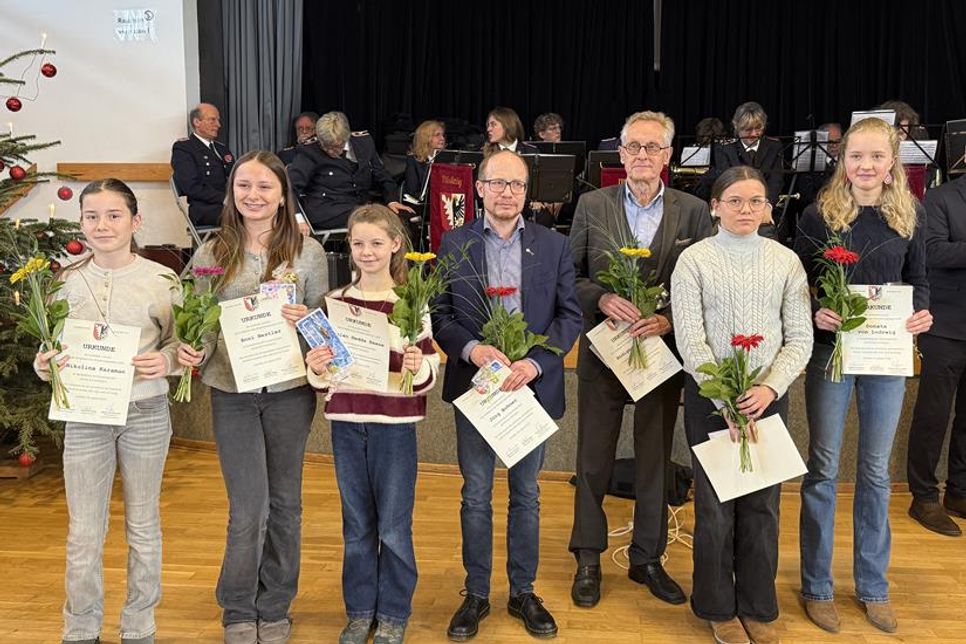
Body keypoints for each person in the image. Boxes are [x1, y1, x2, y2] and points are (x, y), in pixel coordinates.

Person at [177, 151, 328, 644]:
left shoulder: (309, 254)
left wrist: (306, 319)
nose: (253, 195)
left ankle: (276, 602)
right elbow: (197, 322)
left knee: (286, 505)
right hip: (233, 394)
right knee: (248, 508)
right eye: (244, 185)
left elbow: (323, 330)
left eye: (265, 186)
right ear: (231, 192)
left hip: (289, 393)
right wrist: (193, 351)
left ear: (282, 195)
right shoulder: (210, 253)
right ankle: (238, 606)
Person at [432, 150, 582, 640]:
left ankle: (522, 591)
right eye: (497, 183)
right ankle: (476, 593)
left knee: (528, 496)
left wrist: (534, 362)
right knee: (475, 495)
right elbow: (441, 316)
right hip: (478, 388)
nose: (507, 193)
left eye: (516, 185)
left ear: (527, 192)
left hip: (529, 389)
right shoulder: (454, 242)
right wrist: (473, 351)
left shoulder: (553, 246)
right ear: (479, 188)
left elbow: (569, 318)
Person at [567, 110, 712, 610]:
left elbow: (702, 284)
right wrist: (601, 300)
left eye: (653, 148)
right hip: (604, 352)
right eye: (634, 147)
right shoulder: (591, 203)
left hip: (660, 356)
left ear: (669, 156)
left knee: (654, 459)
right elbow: (573, 274)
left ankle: (647, 558)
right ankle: (588, 555)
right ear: (620, 153)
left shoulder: (693, 211)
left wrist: (671, 319)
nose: (643, 156)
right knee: (592, 460)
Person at [795, 117, 932, 635]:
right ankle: (817, 585)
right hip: (831, 355)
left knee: (875, 474)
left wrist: (922, 313)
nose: (866, 166)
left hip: (885, 360)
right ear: (842, 161)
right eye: (856, 156)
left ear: (892, 162)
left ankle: (873, 587)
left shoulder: (909, 215)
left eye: (876, 157)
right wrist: (814, 311)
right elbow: (798, 284)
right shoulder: (816, 215)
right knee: (824, 471)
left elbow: (917, 281)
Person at [33, 179, 180, 644]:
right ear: (80, 223)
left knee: (143, 526)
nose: (102, 225)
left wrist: (169, 361)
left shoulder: (162, 280)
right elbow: (51, 349)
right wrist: (44, 364)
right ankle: (80, 629)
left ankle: (139, 627)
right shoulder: (65, 282)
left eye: (114, 215)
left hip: (146, 413)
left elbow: (182, 345)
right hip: (86, 419)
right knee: (83, 533)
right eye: (91, 216)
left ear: (135, 221)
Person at [672, 166, 813, 644]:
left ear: (769, 208)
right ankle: (716, 606)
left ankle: (757, 604)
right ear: (715, 206)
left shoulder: (786, 261)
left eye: (755, 201)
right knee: (714, 508)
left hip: (766, 399)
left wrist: (769, 389)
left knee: (763, 507)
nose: (745, 210)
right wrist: (722, 396)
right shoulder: (693, 260)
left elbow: (799, 339)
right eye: (734, 200)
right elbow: (691, 341)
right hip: (711, 400)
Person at [305, 204, 439, 644]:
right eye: (358, 243)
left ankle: (395, 613)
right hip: (347, 425)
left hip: (394, 427)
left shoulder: (412, 304)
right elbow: (324, 375)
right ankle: (360, 611)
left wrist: (418, 365)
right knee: (356, 525)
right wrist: (317, 365)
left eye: (376, 243)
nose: (366, 251)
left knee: (394, 527)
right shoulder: (335, 302)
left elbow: (427, 374)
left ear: (396, 245)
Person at [906, 170, 966, 537]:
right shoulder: (942, 198)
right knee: (933, 416)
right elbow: (929, 251)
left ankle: (959, 492)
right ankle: (924, 495)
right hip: (945, 327)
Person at [287, 111, 415, 229]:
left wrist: (392, 200)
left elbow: (381, 174)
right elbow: (290, 186)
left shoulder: (364, 142)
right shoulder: (310, 150)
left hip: (360, 205)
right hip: (327, 209)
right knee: (376, 220)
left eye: (336, 146)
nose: (331, 151)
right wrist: (298, 219)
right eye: (326, 146)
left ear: (346, 137)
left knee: (406, 218)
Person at [698, 101, 785, 206]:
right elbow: (728, 184)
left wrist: (767, 205)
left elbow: (776, 181)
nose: (753, 134)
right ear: (736, 126)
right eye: (748, 129)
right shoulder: (724, 148)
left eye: (758, 128)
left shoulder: (774, 146)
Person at [171, 103, 235, 226]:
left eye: (218, 120)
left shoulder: (222, 149)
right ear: (197, 122)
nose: (218, 125)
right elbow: (191, 187)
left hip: (228, 205)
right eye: (212, 120)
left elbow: (234, 177)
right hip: (204, 209)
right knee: (246, 215)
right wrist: (225, 198)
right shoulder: (184, 148)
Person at [402, 119, 446, 202]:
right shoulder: (413, 160)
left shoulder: (447, 159)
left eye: (443, 135)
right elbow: (412, 191)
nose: (442, 138)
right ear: (425, 138)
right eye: (437, 135)